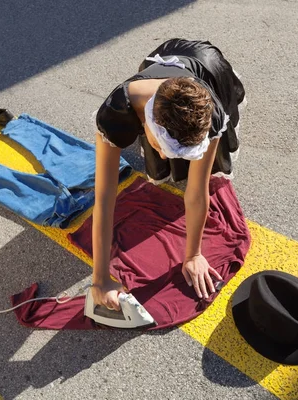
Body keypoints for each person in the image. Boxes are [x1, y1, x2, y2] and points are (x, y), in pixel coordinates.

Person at [90, 38, 246, 311]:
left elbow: (196, 193)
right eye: (162, 146)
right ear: (146, 119)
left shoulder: (211, 112)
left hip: (206, 65)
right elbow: (104, 197)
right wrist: (100, 278)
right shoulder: (114, 111)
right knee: (160, 162)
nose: (164, 154)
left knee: (205, 168)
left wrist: (194, 254)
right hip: (159, 59)